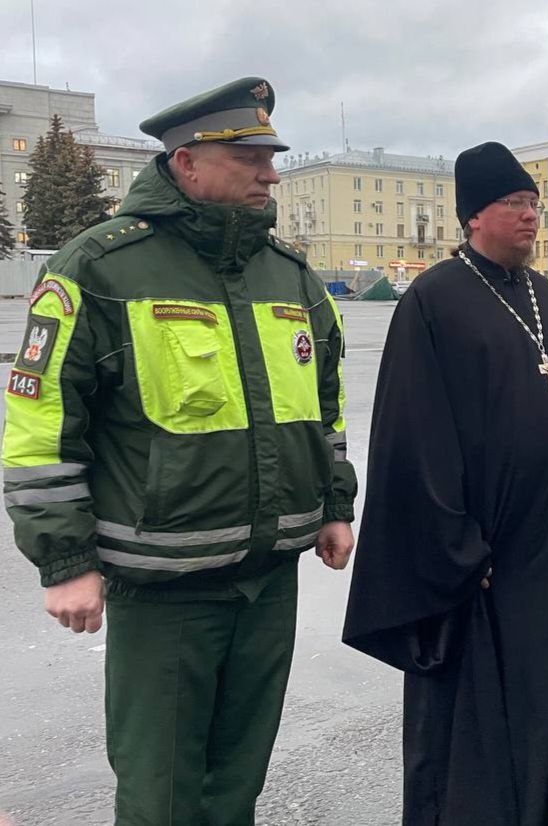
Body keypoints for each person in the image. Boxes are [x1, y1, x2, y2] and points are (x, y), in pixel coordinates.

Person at [2, 77, 357, 824]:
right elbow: (39, 422)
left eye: (272, 156)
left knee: (237, 782)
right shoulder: (98, 267)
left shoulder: (288, 275)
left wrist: (332, 504)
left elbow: (323, 407)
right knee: (163, 793)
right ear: (186, 163)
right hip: (165, 588)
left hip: (270, 580)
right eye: (251, 157)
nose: (271, 173)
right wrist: (65, 560)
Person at [342, 141, 548, 826]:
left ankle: (535, 808)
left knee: (535, 694)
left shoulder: (546, 297)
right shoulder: (434, 301)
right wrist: (458, 547)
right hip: (479, 556)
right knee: (466, 708)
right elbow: (413, 439)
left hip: (544, 549)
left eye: (534, 204)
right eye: (515, 204)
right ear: (474, 216)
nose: (531, 216)